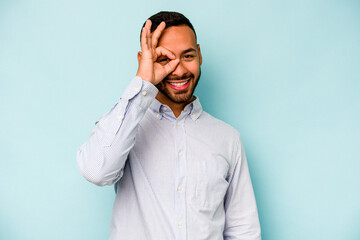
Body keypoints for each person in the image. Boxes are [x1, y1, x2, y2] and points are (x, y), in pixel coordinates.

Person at [77, 11, 261, 240]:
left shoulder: (228, 139)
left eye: (187, 56)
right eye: (165, 59)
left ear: (200, 55)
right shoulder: (123, 126)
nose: (180, 70)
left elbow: (244, 231)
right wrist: (143, 82)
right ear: (144, 61)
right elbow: (96, 171)